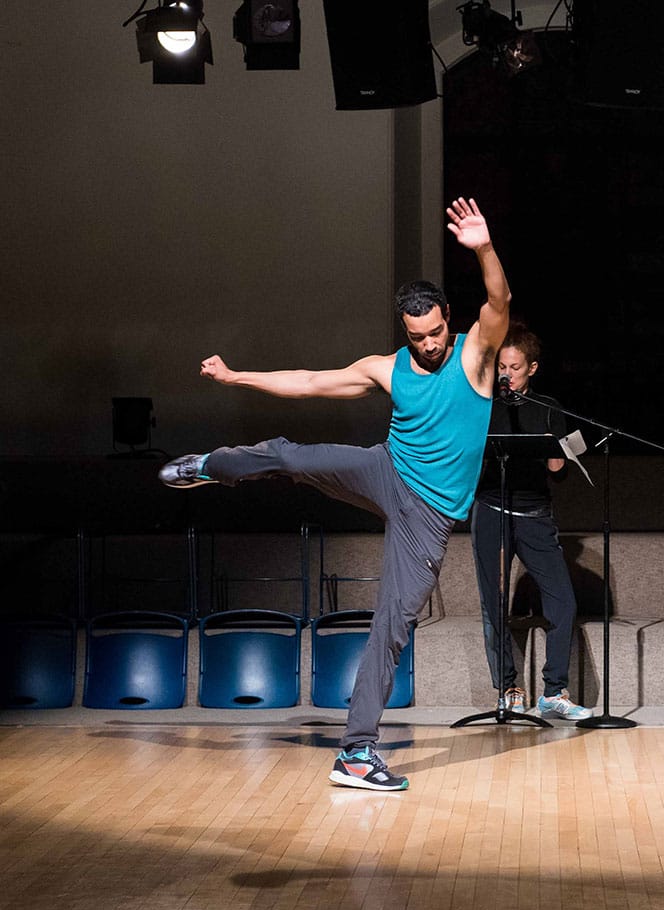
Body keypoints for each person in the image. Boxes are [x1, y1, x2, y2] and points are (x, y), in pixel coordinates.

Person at [158, 197, 510, 791]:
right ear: (405, 329)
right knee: (291, 454)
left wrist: (482, 248)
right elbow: (311, 383)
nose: (429, 344)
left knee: (391, 624)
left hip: (428, 517)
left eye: (435, 331)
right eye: (417, 335)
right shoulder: (386, 367)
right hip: (385, 471)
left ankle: (355, 754)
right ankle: (212, 467)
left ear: (448, 317)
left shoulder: (475, 356)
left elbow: (498, 301)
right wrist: (236, 376)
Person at [471, 323, 591, 721]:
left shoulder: (549, 407)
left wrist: (558, 452)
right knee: (494, 604)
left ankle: (554, 692)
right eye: (501, 366)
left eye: (515, 367)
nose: (506, 374)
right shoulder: (483, 404)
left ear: (532, 368)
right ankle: (508, 688)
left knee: (563, 602)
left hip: (535, 515)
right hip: (491, 511)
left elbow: (558, 471)